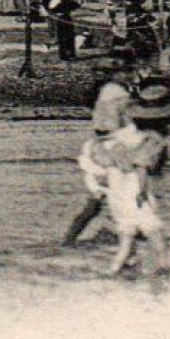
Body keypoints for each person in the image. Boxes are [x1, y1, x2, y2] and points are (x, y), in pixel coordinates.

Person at [79, 85, 170, 277]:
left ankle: (115, 271)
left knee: (127, 236)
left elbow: (104, 154)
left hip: (117, 186)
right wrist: (143, 193)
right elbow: (142, 166)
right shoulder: (154, 140)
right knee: (156, 234)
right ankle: (164, 271)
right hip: (134, 186)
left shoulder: (127, 136)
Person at [63, 52, 138, 246]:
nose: (130, 75)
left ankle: (71, 237)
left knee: (99, 197)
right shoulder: (117, 94)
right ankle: (131, 233)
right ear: (116, 74)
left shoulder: (107, 91)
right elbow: (114, 124)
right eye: (127, 71)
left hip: (100, 146)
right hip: (111, 148)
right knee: (123, 192)